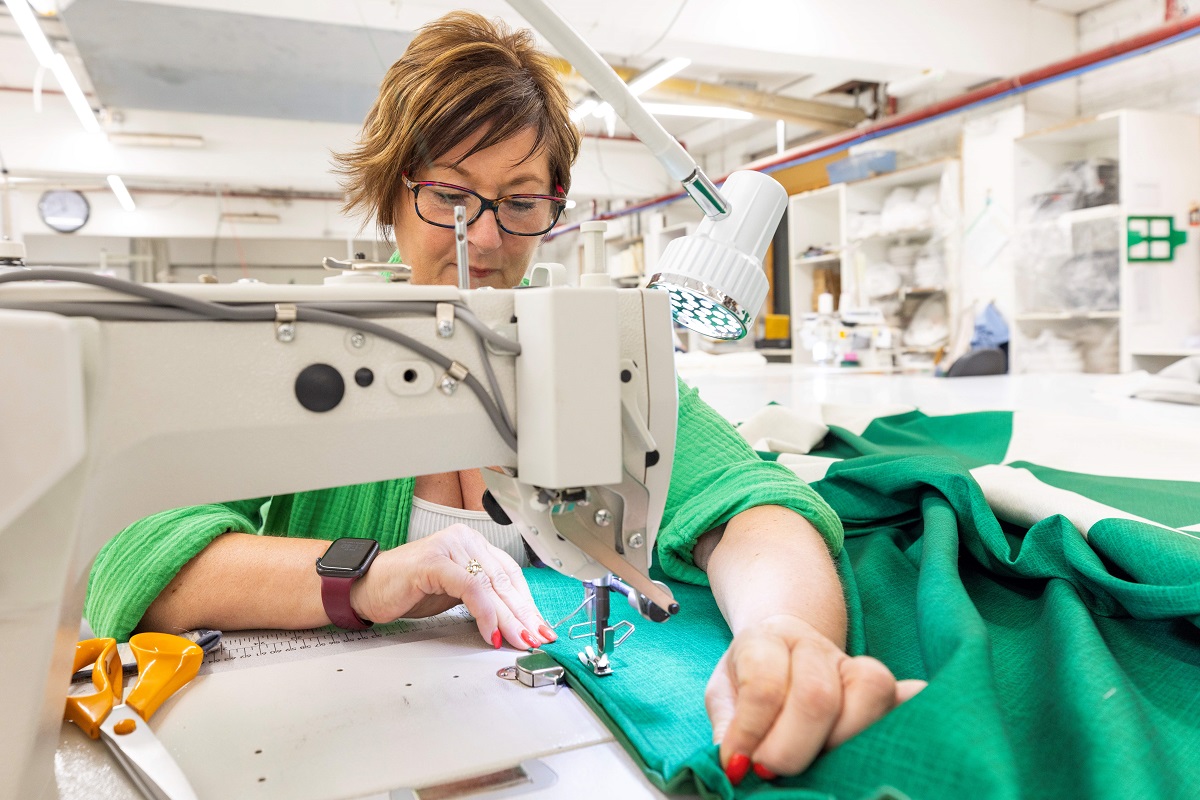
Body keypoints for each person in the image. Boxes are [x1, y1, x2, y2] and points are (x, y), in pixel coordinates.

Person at [84, 11, 922, 785]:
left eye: (522, 202)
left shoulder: (591, 344)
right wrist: (371, 576)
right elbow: (139, 550)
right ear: (392, 189)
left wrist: (786, 632)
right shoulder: (303, 347)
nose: (483, 237)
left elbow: (749, 502)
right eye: (451, 194)